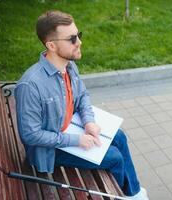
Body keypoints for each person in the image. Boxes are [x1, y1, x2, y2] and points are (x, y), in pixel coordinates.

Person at [14, 10, 149, 199]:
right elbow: (31, 135)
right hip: (49, 150)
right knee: (114, 158)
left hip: (69, 128)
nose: (79, 42)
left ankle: (133, 193)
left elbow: (82, 96)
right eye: (72, 39)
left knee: (119, 136)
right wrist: (76, 140)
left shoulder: (69, 66)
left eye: (79, 35)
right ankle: (125, 195)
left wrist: (88, 122)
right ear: (51, 45)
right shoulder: (30, 85)